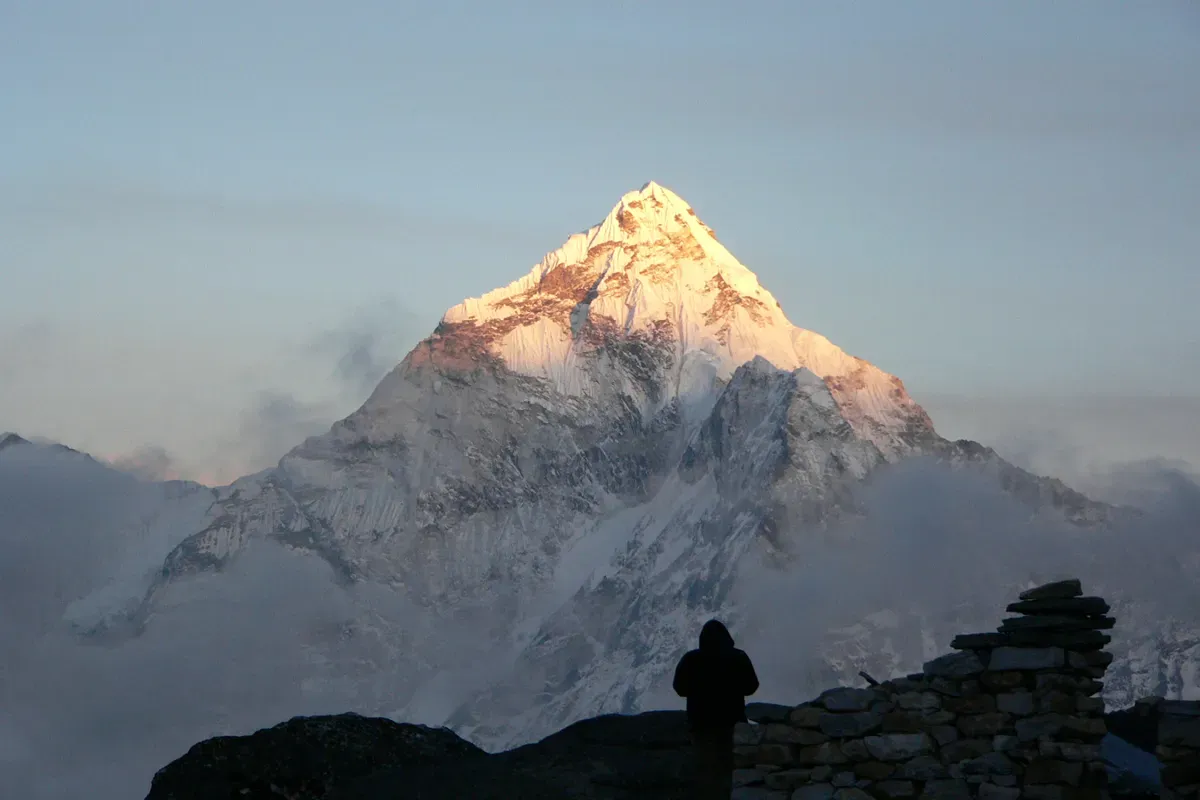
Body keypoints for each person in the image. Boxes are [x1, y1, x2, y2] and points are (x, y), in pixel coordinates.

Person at [672, 619, 760, 800]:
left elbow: (679, 688)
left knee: (707, 775)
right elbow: (752, 685)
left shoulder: (691, 659)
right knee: (732, 772)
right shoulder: (738, 657)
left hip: (701, 727)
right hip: (733, 725)